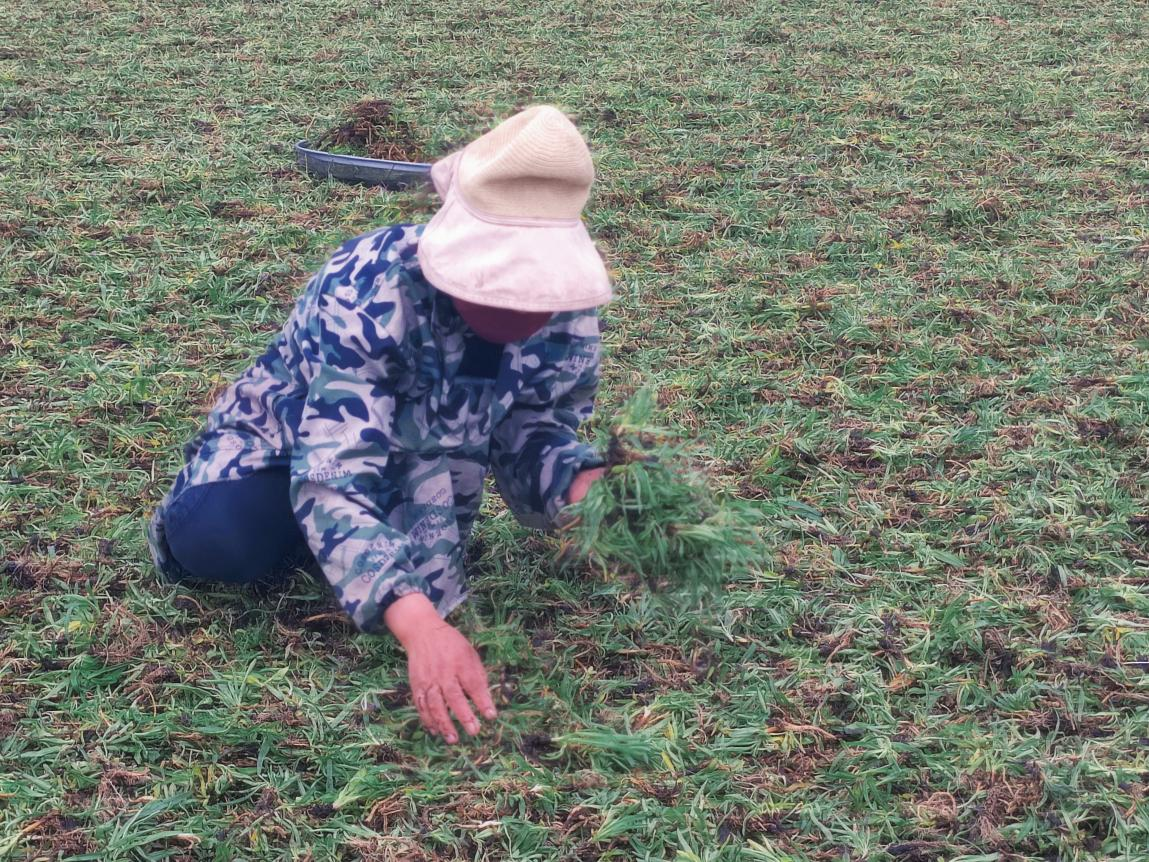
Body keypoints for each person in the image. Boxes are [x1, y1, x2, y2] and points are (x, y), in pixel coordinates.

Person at [147, 106, 612, 744]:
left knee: (396, 534)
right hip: (290, 445)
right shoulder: (371, 291)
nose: (523, 304)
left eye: (533, 289)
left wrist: (589, 488)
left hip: (424, 472)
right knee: (216, 538)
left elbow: (535, 433)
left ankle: (360, 552)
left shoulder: (570, 315)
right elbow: (334, 471)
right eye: (499, 284)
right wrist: (421, 627)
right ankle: (339, 548)